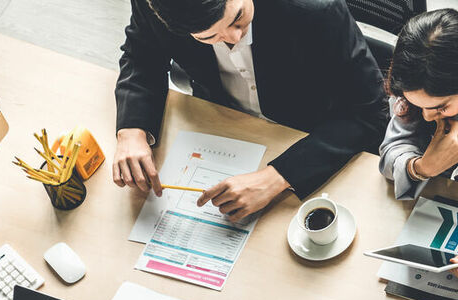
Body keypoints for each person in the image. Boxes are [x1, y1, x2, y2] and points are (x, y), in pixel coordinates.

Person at [113, 0, 387, 222]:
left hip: (306, 135)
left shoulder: (316, 9)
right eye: (210, 36)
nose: (234, 37)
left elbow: (369, 110)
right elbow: (141, 54)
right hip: (219, 123)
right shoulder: (156, 6)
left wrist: (275, 178)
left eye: (238, 16)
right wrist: (132, 131)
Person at [378, 9, 458, 276]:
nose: (425, 116)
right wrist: (421, 167)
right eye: (417, 105)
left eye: (440, 107)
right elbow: (391, 152)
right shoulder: (415, 91)